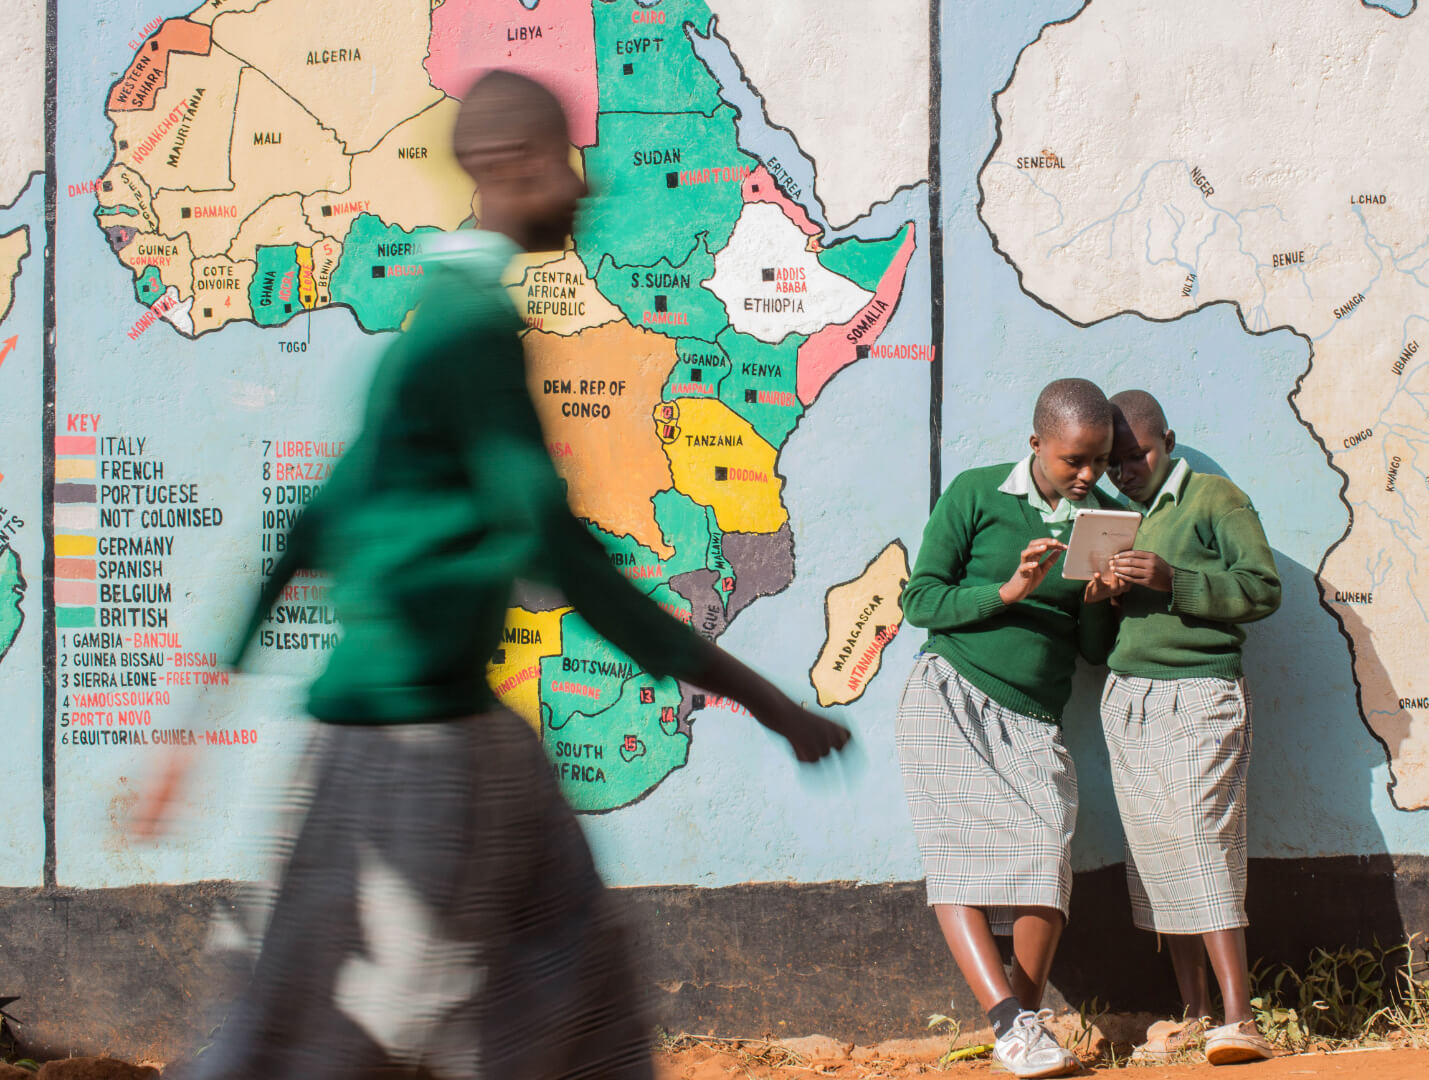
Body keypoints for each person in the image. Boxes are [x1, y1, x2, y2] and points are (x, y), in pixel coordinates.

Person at [133, 70, 849, 1080]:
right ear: (512, 171)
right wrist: (770, 703)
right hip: (418, 761)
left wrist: (191, 729)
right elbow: (562, 562)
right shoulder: (468, 335)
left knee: (569, 991)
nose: (582, 189)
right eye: (566, 164)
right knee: (383, 1036)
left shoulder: (441, 328)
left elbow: (316, 521)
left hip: (436, 739)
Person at [894, 378, 1122, 1079]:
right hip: (951, 695)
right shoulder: (976, 493)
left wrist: (1098, 601)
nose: (1088, 476)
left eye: (1101, 461)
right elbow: (919, 599)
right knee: (956, 854)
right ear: (1035, 446)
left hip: (1033, 715)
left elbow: (1090, 650)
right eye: (1073, 461)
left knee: (1046, 851)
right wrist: (1008, 590)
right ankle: (1011, 1024)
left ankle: (1020, 1028)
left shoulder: (1105, 519)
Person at [1099, 390, 1281, 1066]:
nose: (1126, 471)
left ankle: (1242, 1018)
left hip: (1202, 691)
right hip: (1129, 697)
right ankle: (1195, 1015)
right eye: (1114, 463)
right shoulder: (1112, 518)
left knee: (1203, 840)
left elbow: (1262, 589)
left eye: (1137, 454)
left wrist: (1174, 579)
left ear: (1167, 439)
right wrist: (1100, 599)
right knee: (1156, 853)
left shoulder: (1214, 498)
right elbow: (1100, 642)